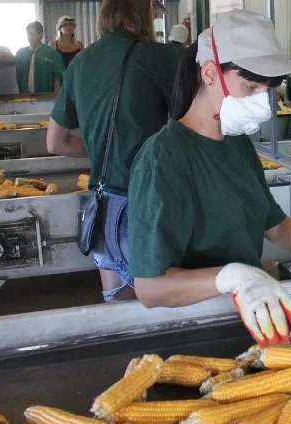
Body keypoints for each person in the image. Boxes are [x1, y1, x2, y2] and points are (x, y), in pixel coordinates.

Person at [128, 10, 291, 345]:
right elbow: (149, 287)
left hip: (253, 320)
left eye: (268, 90)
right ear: (209, 73)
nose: (262, 104)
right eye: (250, 86)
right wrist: (231, 277)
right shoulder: (163, 160)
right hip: (194, 333)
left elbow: (275, 225)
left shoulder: (237, 146)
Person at [47, 0, 178, 302]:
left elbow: (55, 142)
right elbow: (192, 122)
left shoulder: (80, 61)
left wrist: (101, 149)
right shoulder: (159, 57)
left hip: (102, 207)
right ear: (142, 16)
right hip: (145, 203)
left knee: (119, 313)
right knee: (157, 316)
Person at [16, 22, 65, 94]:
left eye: (32, 34)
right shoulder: (20, 54)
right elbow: (15, 76)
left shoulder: (52, 54)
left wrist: (55, 98)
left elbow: (58, 78)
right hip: (23, 97)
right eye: (28, 34)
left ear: (41, 35)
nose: (29, 37)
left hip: (45, 98)